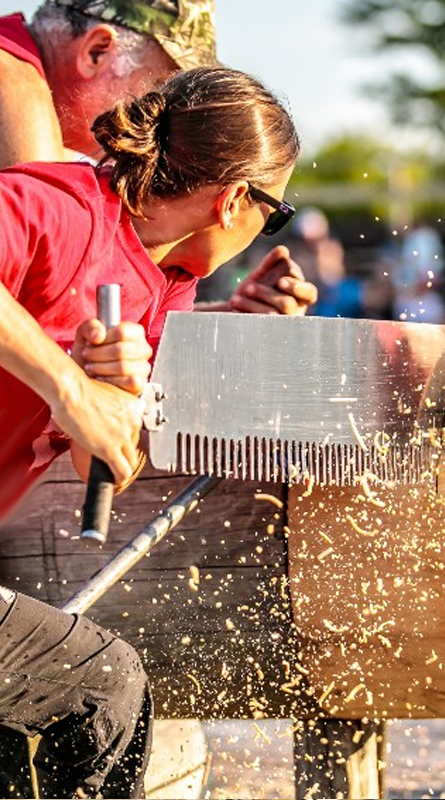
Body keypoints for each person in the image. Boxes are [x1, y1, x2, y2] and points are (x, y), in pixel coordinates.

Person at [0, 64, 301, 798]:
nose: (269, 229)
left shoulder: (163, 287)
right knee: (108, 687)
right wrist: (69, 383)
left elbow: (105, 457)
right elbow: (68, 395)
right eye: (276, 212)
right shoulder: (61, 207)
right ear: (236, 199)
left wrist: (116, 394)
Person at [0, 0, 316, 315]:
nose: (172, 117)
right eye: (162, 89)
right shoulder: (14, 84)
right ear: (97, 50)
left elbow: (56, 314)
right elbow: (42, 314)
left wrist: (229, 318)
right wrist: (62, 369)